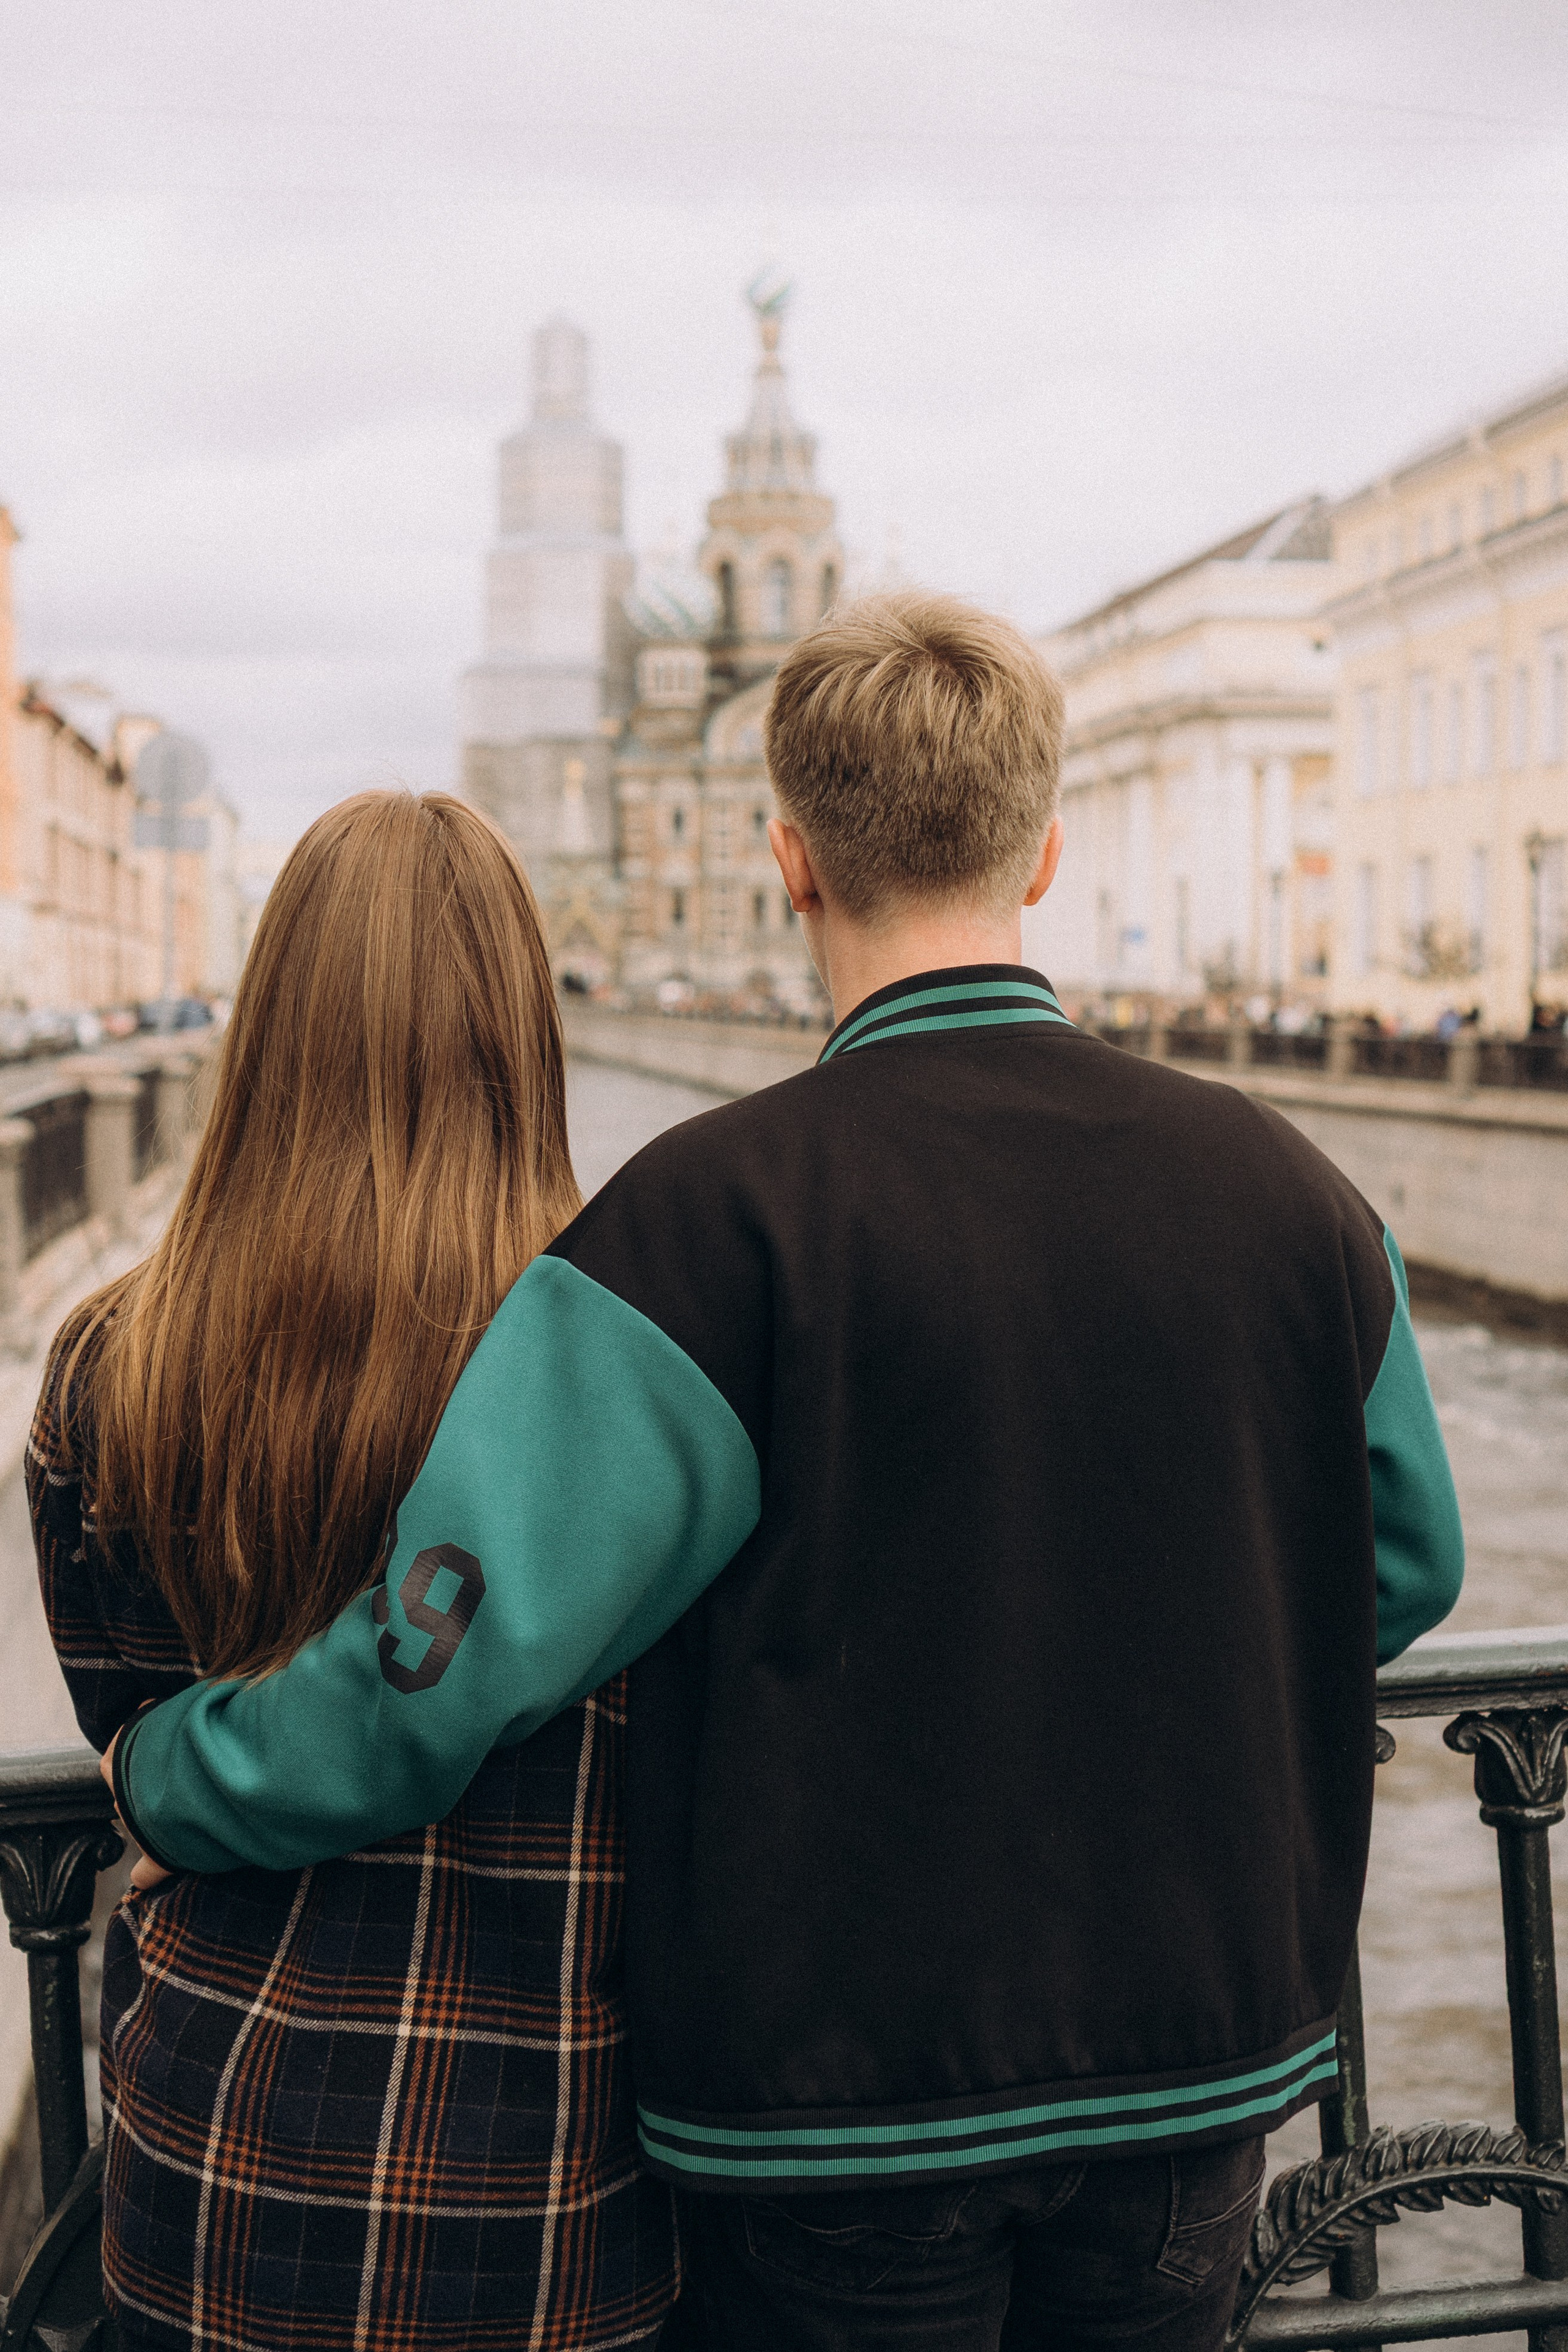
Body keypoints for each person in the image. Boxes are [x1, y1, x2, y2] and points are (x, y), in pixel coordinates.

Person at [110, 595, 1465, 2352]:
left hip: (845, 2106)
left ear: (788, 860)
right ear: (1044, 854)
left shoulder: (704, 1223)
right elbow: (1403, 1565)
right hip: (1206, 2063)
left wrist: (168, 1777)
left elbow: (440, 1663)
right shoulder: (1296, 1199)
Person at [32, 793, 686, 2350]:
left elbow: (131, 1736)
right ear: (521, 1029)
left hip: (218, 2159)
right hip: (555, 2187)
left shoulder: (116, 1361)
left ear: (264, 1026)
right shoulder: (635, 1368)